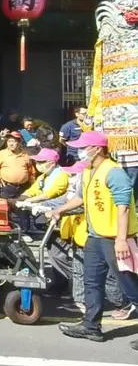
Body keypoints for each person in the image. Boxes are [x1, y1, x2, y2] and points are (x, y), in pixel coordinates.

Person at [45, 131, 138, 343]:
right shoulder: (88, 171)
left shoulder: (114, 172)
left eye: (83, 147)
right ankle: (91, 325)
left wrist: (122, 239)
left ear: (97, 148)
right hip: (95, 237)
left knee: (129, 285)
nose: (79, 151)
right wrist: (60, 210)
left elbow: (123, 207)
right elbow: (80, 198)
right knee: (92, 282)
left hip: (115, 239)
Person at [0, 132, 34, 199]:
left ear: (19, 142)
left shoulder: (25, 155)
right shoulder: (2, 153)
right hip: (7, 188)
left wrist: (32, 182)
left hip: (23, 188)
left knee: (22, 207)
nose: (11, 144)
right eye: (9, 141)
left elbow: (31, 169)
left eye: (14, 141)